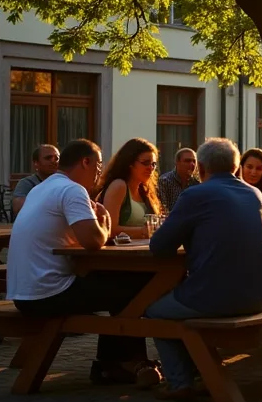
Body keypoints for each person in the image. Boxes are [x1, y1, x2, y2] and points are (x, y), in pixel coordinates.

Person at [9, 139, 162, 388]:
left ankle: (118, 362)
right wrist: (103, 218)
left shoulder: (42, 188)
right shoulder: (72, 190)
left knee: (121, 287)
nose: (100, 172)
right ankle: (122, 362)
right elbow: (93, 241)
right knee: (137, 288)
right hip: (48, 293)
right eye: (98, 165)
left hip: (23, 291)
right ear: (85, 162)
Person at [145, 138, 262, 401]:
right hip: (260, 294)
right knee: (186, 301)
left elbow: (159, 246)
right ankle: (198, 372)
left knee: (154, 312)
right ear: (237, 167)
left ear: (200, 168)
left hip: (216, 296)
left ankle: (180, 382)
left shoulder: (195, 194)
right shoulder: (254, 193)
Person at [99, 138, 162, 239]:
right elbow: (110, 229)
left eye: (153, 164)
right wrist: (144, 231)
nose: (150, 168)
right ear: (130, 163)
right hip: (119, 253)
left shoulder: (144, 189)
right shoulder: (119, 186)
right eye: (145, 163)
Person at [11, 144, 60, 220]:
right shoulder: (27, 183)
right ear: (36, 163)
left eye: (57, 158)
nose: (54, 161)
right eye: (48, 158)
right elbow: (18, 208)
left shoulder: (65, 183)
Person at [157, 147, 200, 213]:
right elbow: (163, 209)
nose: (192, 164)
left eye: (194, 161)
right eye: (187, 161)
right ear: (177, 162)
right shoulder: (164, 181)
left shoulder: (197, 183)